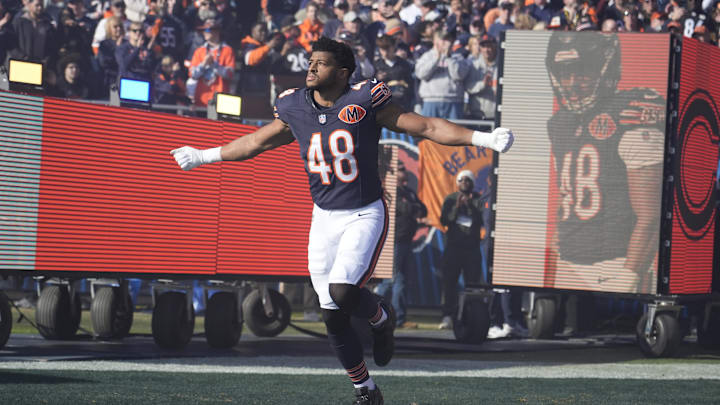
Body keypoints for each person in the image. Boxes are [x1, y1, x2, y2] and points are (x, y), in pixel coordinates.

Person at [171, 36, 513, 405]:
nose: (312, 67)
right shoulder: (294, 105)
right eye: (310, 61)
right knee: (331, 314)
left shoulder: (364, 100)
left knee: (343, 291)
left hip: (364, 212)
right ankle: (365, 390)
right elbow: (256, 142)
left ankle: (383, 319)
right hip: (324, 217)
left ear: (343, 72)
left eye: (321, 62)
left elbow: (426, 127)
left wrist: (483, 138)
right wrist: (204, 156)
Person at [544, 31, 665, 293]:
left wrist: (630, 272)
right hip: (569, 257)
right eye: (565, 73)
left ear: (606, 69)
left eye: (583, 72)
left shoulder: (629, 112)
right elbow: (566, 201)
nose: (573, 83)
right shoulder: (560, 123)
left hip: (617, 258)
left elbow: (652, 214)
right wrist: (552, 264)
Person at [374, 167, 427, 329]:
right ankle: (375, 313)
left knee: (400, 279)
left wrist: (413, 208)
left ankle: (397, 318)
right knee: (392, 279)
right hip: (395, 240)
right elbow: (404, 208)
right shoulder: (392, 191)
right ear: (394, 174)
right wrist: (412, 208)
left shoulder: (408, 192)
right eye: (401, 169)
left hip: (406, 240)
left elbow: (423, 209)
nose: (405, 172)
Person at [438, 170, 485, 330]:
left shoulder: (478, 199)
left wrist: (470, 206)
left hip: (471, 248)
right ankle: (447, 316)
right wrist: (457, 208)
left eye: (468, 180)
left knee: (472, 284)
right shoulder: (451, 199)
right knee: (449, 282)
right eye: (461, 180)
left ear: (472, 183)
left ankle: (469, 316)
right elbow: (444, 220)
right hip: (454, 247)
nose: (464, 182)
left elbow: (482, 220)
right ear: (457, 183)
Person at [186, 18, 234, 107]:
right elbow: (192, 75)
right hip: (201, 100)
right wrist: (203, 64)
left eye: (207, 30)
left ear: (217, 31)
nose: (205, 32)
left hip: (221, 102)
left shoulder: (227, 50)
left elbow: (230, 74)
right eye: (204, 30)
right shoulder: (199, 51)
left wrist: (214, 64)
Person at [464, 33, 497, 120]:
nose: (486, 50)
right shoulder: (473, 65)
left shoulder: (501, 66)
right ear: (480, 48)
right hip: (477, 114)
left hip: (495, 114)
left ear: (494, 47)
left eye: (489, 46)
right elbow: (468, 87)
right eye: (484, 46)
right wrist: (482, 84)